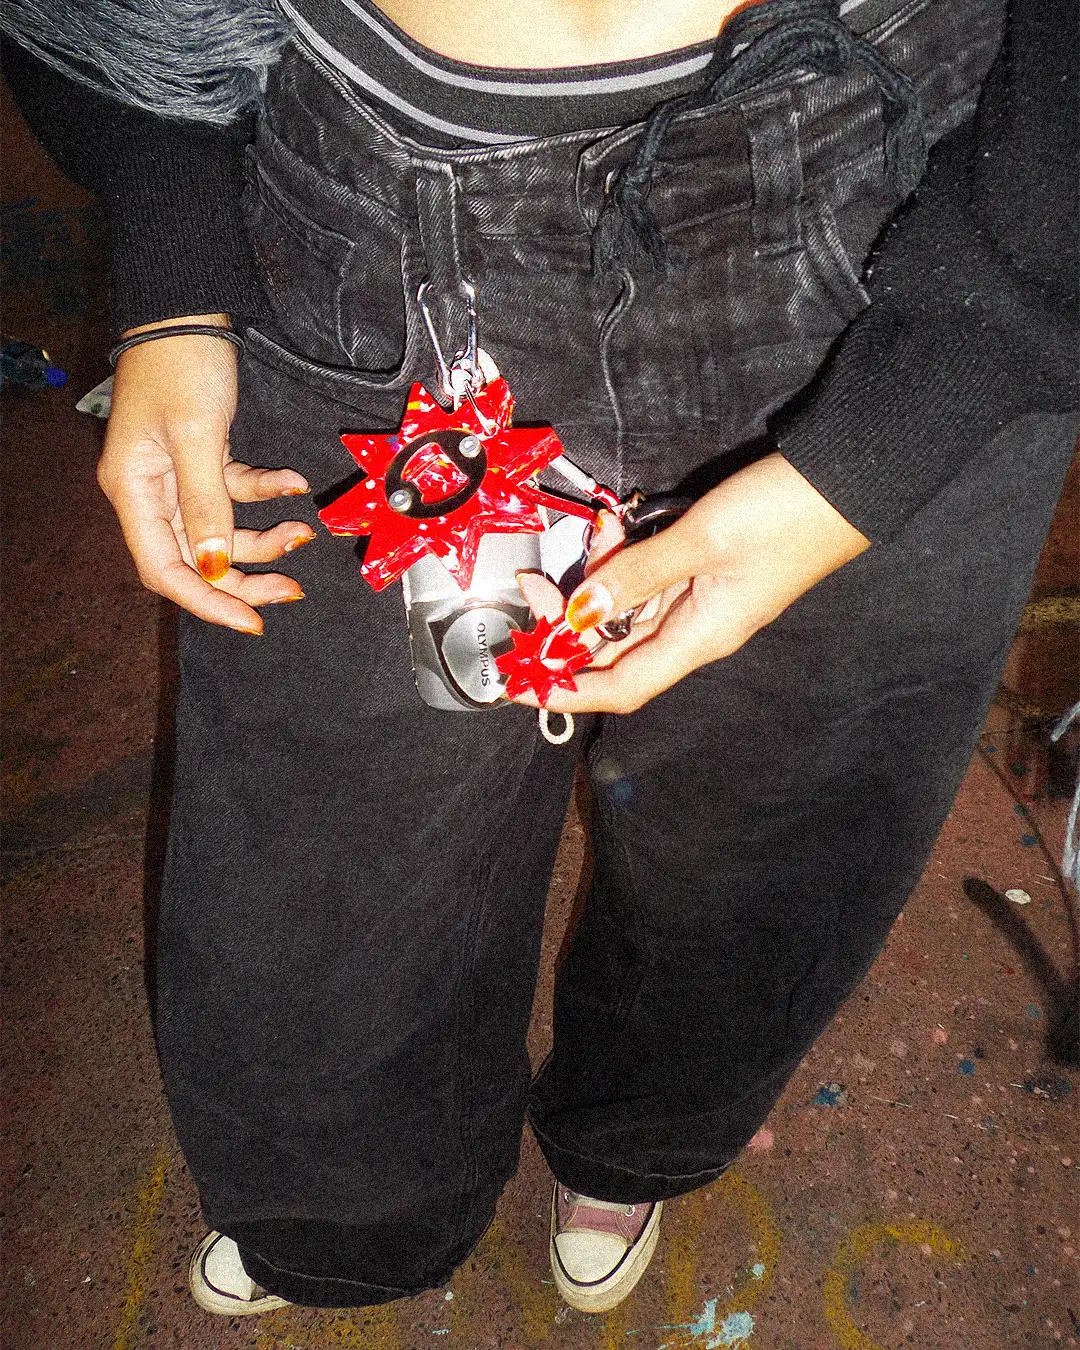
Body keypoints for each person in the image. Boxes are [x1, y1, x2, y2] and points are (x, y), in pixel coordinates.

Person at [3, 0, 1078, 1318]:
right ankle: (347, 1207)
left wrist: (928, 403)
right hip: (384, 218)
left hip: (928, 232)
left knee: (785, 814)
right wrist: (173, 279)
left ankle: (643, 1132)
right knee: (333, 840)